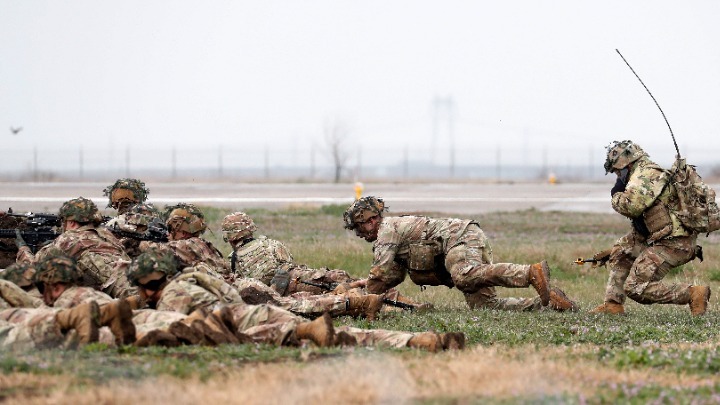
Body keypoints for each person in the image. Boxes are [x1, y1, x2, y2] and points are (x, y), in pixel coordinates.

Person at [126, 249, 465, 351]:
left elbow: (181, 328)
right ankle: (419, 340)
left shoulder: (172, 296)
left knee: (335, 338)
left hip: (246, 324)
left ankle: (414, 342)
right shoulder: (196, 278)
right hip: (258, 310)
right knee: (338, 334)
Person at [343, 196, 577, 312]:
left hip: (459, 238)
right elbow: (390, 276)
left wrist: (352, 299)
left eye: (359, 227)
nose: (358, 234)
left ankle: (529, 273)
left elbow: (380, 271)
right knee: (485, 307)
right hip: (457, 243)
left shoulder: (387, 231)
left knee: (464, 275)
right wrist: (364, 285)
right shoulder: (391, 235)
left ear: (372, 220)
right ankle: (551, 304)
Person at [590, 140, 710, 315]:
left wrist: (616, 193)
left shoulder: (646, 175)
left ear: (626, 164)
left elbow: (631, 207)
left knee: (636, 287)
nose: (617, 176)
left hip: (675, 242)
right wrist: (624, 247)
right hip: (658, 236)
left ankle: (692, 294)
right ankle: (612, 305)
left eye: (617, 171)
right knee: (621, 251)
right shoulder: (639, 173)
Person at [221, 212, 428, 311]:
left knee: (348, 296)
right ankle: (411, 303)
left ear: (230, 237)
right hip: (309, 274)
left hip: (294, 287)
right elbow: (289, 263)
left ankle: (396, 307)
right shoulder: (270, 243)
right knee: (354, 282)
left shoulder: (234, 259)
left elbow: (252, 287)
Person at [15, 197, 136, 299]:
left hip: (122, 294)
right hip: (135, 282)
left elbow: (31, 268)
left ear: (72, 222)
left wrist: (23, 249)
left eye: (64, 221)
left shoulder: (69, 239)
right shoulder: (107, 235)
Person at [141, 203, 229, 278]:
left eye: (171, 229)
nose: (169, 233)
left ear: (183, 232)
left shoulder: (188, 245)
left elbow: (151, 249)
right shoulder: (199, 243)